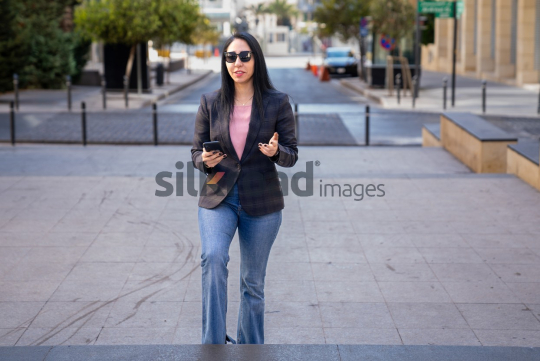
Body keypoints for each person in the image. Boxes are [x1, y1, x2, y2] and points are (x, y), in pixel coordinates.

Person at [191, 32, 298, 345]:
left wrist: (276, 152)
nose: (237, 62)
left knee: (252, 283)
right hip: (218, 196)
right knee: (212, 257)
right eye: (230, 56)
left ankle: (250, 349)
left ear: (256, 59)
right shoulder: (210, 102)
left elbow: (291, 154)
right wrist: (205, 160)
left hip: (262, 201)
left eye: (244, 56)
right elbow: (196, 152)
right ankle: (213, 344)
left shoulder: (278, 102)